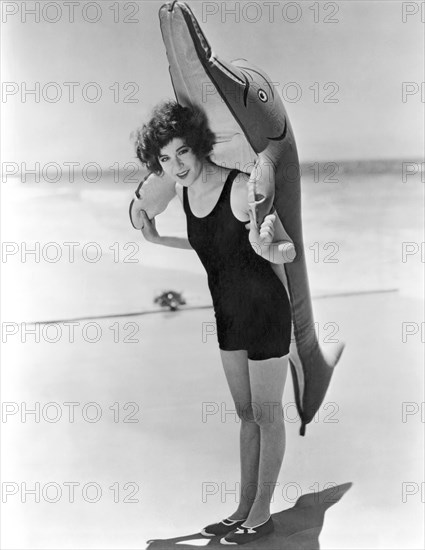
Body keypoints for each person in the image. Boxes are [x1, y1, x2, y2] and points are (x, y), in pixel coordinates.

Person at [134, 100, 295, 545]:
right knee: (246, 415)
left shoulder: (243, 189)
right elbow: (212, 247)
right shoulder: (185, 194)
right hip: (227, 315)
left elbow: (287, 250)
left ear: (199, 146)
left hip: (265, 311)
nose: (175, 165)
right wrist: (158, 238)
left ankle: (262, 514)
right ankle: (242, 508)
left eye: (181, 153)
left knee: (267, 414)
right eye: (165, 159)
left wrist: (268, 251)